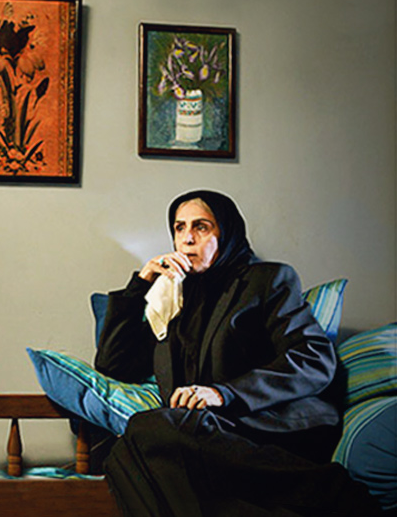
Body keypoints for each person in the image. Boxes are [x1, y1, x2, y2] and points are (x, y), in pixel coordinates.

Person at [94, 190, 380, 516]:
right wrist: (140, 285)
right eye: (179, 228)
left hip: (265, 423)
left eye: (201, 227)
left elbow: (313, 359)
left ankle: (325, 487)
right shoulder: (171, 297)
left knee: (147, 429)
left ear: (226, 233)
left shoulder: (266, 279)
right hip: (195, 433)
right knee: (121, 455)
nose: (187, 239)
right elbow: (113, 365)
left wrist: (222, 394)